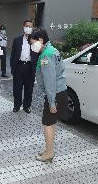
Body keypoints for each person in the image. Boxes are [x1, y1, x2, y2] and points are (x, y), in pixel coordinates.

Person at [29, 28, 68, 162]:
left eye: (33, 43)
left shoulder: (46, 55)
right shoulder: (52, 50)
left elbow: (50, 81)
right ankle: (48, 149)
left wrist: (52, 102)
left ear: (40, 40)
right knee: (50, 123)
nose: (32, 46)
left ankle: (49, 152)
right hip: (59, 92)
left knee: (48, 123)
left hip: (55, 94)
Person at [10, 19, 39, 114]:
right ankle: (16, 105)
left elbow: (38, 55)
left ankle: (27, 106)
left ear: (33, 28)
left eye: (30, 26)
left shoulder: (35, 41)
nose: (28, 28)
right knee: (17, 88)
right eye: (27, 26)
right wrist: (12, 68)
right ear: (23, 27)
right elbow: (13, 55)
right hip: (19, 66)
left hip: (30, 67)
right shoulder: (17, 40)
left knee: (29, 88)